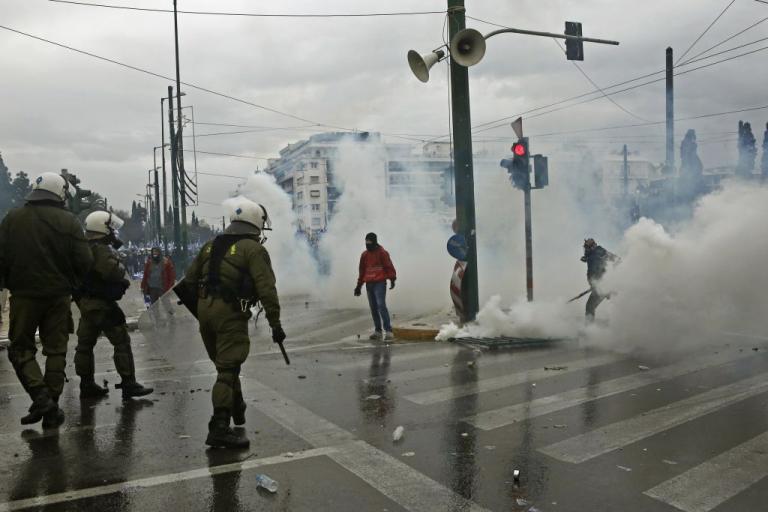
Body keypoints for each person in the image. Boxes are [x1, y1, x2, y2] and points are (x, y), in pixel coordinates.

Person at [184, 199, 285, 449]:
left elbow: (188, 280)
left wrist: (203, 309)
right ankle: (218, 428)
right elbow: (266, 289)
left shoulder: (210, 245)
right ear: (255, 223)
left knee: (226, 366)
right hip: (230, 313)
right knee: (227, 371)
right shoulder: (253, 249)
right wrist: (275, 324)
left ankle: (237, 410)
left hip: (205, 310)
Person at [0, 172, 94, 428]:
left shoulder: (12, 218)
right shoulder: (69, 221)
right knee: (56, 349)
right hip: (58, 296)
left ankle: (42, 400)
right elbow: (85, 261)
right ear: (60, 193)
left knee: (20, 348)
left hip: (24, 295)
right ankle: (50, 402)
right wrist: (70, 283)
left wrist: (8, 282)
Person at [73, 211, 154, 400]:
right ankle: (129, 383)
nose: (113, 233)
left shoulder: (82, 247)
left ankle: (87, 385)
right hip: (102, 304)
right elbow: (113, 273)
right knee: (121, 342)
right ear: (102, 228)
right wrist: (120, 263)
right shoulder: (101, 249)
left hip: (86, 303)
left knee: (84, 345)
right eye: (111, 228)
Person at [354, 232, 396, 341]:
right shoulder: (364, 255)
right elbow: (362, 271)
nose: (367, 244)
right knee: (373, 308)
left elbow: (389, 266)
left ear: (375, 241)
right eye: (366, 242)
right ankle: (378, 331)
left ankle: (388, 331)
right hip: (369, 284)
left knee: (381, 305)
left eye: (369, 242)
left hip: (380, 283)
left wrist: (392, 279)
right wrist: (359, 286)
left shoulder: (382, 253)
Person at [580, 238, 619, 322]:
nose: (585, 250)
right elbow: (616, 259)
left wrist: (596, 284)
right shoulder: (595, 253)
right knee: (618, 302)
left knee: (590, 307)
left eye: (587, 247)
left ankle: (589, 330)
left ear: (592, 247)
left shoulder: (597, 254)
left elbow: (594, 273)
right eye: (585, 248)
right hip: (603, 286)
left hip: (602, 286)